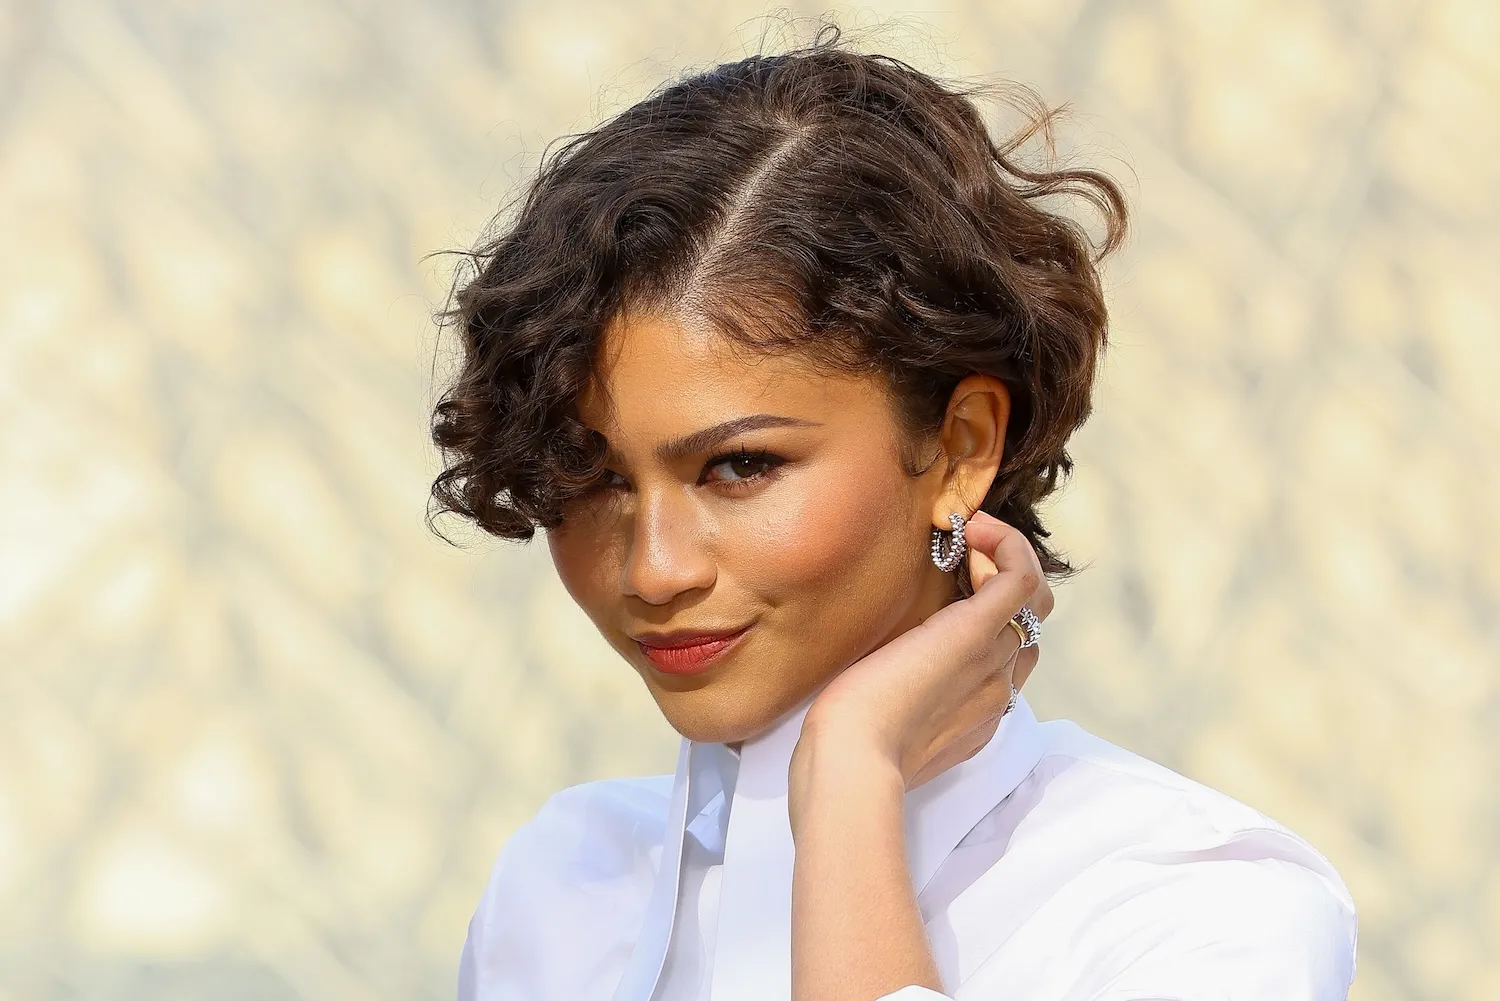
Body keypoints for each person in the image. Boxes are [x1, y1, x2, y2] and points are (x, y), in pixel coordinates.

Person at [431, 30, 1357, 1001]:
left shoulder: (1197, 911)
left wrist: (849, 786)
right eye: (594, 477)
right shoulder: (557, 892)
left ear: (959, 445)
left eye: (740, 465)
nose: (654, 570)